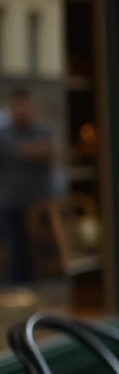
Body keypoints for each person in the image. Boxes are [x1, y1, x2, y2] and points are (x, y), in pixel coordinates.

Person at [0, 89, 55, 284]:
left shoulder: (43, 129)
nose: (21, 110)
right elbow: (18, 151)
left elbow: (47, 151)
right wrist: (32, 150)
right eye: (17, 105)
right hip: (10, 203)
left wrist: (28, 151)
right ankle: (19, 294)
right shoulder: (4, 133)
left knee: (40, 251)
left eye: (24, 105)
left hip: (39, 203)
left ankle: (41, 291)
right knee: (16, 252)